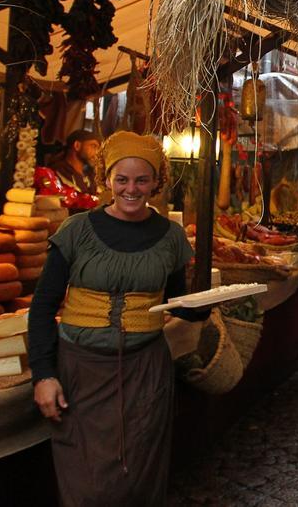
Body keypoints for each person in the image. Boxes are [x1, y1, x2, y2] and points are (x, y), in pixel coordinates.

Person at [27, 131, 200, 506]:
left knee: (139, 479)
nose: (131, 189)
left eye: (142, 179)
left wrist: (201, 306)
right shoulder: (75, 231)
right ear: (106, 179)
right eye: (122, 179)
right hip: (81, 374)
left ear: (157, 182)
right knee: (87, 485)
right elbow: (42, 307)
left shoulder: (170, 236)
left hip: (145, 373)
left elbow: (175, 300)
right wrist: (43, 374)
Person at [48, 128, 100, 195]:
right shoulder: (57, 173)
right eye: (93, 146)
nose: (97, 153)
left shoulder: (91, 175)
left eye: (98, 148)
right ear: (77, 145)